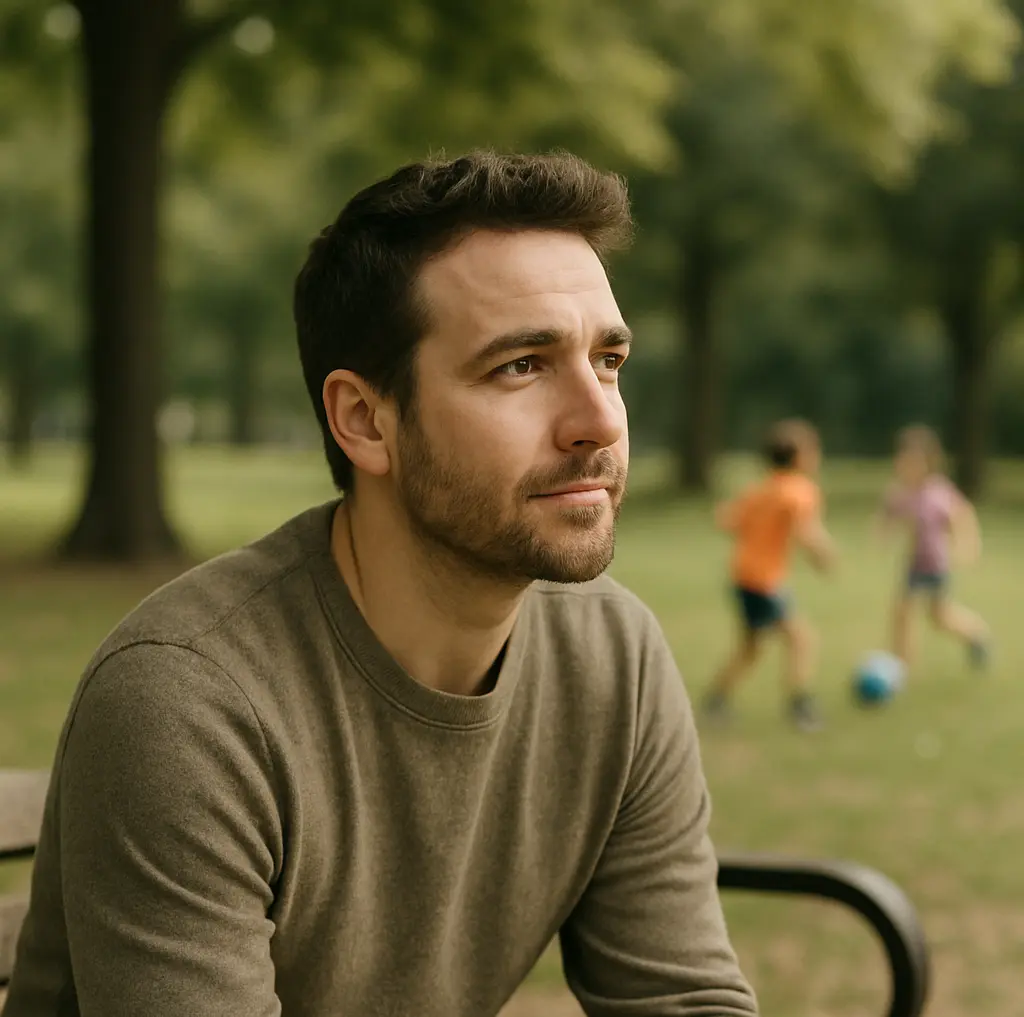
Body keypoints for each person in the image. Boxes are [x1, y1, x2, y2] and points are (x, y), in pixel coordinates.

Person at [4, 152, 757, 1016]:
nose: (599, 420)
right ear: (364, 419)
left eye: (608, 360)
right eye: (521, 365)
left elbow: (683, 997)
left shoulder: (613, 657)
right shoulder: (187, 701)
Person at [703, 420, 836, 732]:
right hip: (764, 581)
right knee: (802, 639)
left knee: (751, 649)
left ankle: (716, 699)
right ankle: (801, 707)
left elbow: (725, 520)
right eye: (814, 450)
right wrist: (824, 557)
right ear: (800, 457)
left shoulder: (761, 489)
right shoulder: (799, 491)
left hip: (743, 575)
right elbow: (807, 533)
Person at [877, 424, 990, 671]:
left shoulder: (937, 492)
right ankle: (901, 665)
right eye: (903, 460)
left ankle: (976, 634)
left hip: (936, 563)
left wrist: (967, 545)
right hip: (914, 563)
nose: (906, 466)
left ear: (928, 463)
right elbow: (889, 514)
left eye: (913, 461)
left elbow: (962, 515)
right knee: (902, 612)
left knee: (940, 617)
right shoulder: (901, 492)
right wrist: (882, 532)